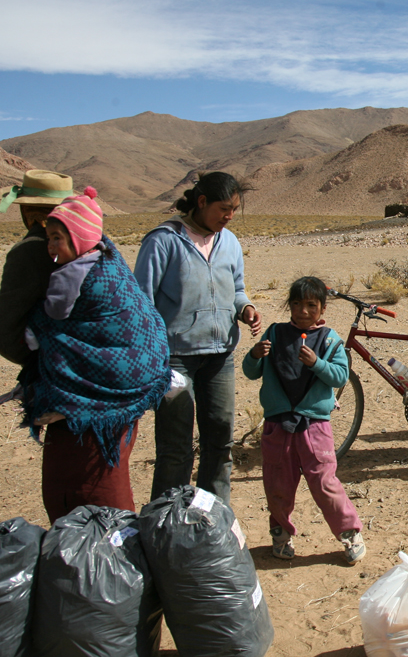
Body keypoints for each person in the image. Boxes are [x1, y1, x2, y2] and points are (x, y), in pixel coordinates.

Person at [27, 190, 171, 522]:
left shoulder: (73, 274)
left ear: (79, 238)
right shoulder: (107, 258)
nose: (50, 246)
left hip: (101, 409)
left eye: (57, 238)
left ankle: (107, 555)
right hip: (128, 395)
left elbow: (53, 316)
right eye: (48, 237)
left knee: (96, 492)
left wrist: (35, 328)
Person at [135, 171, 262, 504]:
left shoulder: (229, 242)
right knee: (176, 448)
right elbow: (142, 303)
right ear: (201, 202)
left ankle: (213, 519)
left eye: (235, 209)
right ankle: (165, 523)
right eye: (224, 208)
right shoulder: (162, 241)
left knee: (220, 442)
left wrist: (244, 307)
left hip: (220, 356)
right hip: (175, 359)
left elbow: (236, 289)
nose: (230, 216)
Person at [242, 277, 365, 564]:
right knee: (278, 483)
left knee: (324, 482)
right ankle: (281, 535)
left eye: (311, 305)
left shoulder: (330, 340)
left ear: (322, 308)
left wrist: (316, 363)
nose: (303, 311)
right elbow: (251, 371)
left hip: (314, 426)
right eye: (297, 304)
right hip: (277, 425)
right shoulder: (274, 333)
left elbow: (339, 376)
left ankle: (349, 533)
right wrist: (254, 354)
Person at [0, 170, 76, 367]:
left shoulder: (28, 251)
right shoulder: (89, 241)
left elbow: (6, 330)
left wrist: (38, 366)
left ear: (26, 210)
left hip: (59, 365)